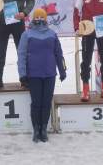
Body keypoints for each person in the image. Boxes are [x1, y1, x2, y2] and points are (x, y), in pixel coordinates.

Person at [17, 8, 66, 143]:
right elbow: (21, 55)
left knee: (46, 103)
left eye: (41, 17)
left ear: (46, 19)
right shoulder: (26, 35)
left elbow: (58, 54)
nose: (39, 20)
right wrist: (22, 74)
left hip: (50, 74)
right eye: (37, 17)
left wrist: (62, 70)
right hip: (34, 75)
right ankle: (36, 129)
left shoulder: (52, 34)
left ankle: (44, 128)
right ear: (33, 19)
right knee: (36, 103)